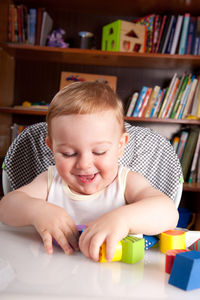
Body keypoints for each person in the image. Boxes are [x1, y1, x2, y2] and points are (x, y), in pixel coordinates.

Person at [0, 81, 179, 262]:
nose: (84, 164)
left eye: (99, 151)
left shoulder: (125, 182)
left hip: (113, 276)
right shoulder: (50, 181)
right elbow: (6, 206)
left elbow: (169, 212)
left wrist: (123, 220)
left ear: (120, 146)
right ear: (52, 148)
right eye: (68, 153)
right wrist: (38, 211)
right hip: (55, 274)